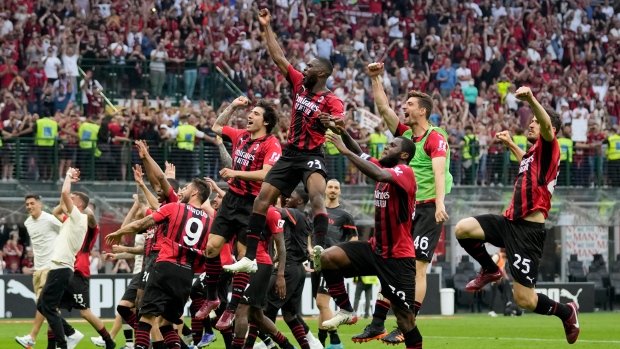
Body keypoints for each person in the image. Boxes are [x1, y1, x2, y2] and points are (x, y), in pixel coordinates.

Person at [223, 8, 345, 276]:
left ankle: (320, 250)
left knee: (316, 197)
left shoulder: (332, 100)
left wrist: (332, 122)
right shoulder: (300, 84)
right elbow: (278, 57)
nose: (305, 68)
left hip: (313, 154)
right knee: (261, 200)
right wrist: (266, 27)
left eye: (310, 66)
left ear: (322, 73)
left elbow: (341, 122)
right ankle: (250, 258)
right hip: (290, 154)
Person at [454, 87, 579, 344]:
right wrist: (511, 144)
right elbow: (525, 161)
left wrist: (532, 100)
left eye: (534, 121)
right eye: (530, 120)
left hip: (527, 232)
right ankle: (490, 270)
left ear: (549, 130)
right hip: (509, 221)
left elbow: (545, 123)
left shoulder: (550, 145)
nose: (530, 124)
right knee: (463, 229)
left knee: (525, 300)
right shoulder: (533, 155)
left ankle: (567, 312)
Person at [354, 62, 451, 344]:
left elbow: (439, 170)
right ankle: (377, 322)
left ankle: (407, 322)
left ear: (422, 110)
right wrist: (375, 79)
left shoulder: (436, 137)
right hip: (406, 209)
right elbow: (383, 109)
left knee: (419, 266)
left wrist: (441, 203)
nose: (403, 107)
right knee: (391, 265)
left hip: (429, 207)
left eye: (408, 104)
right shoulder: (406, 137)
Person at [320, 131, 422, 348]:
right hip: (376, 250)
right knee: (328, 257)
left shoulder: (404, 172)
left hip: (398, 258)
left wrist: (345, 152)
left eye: (392, 145)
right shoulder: (385, 167)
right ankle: (347, 310)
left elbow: (376, 173)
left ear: (404, 155)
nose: (386, 146)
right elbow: (360, 152)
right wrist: (343, 131)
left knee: (406, 322)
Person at [195, 97, 282, 320]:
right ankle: (212, 297)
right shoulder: (239, 135)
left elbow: (266, 173)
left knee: (244, 257)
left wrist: (235, 173)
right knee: (211, 248)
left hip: (253, 205)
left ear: (266, 122)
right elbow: (215, 127)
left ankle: (231, 309)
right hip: (232, 199)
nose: (250, 115)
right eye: (250, 112)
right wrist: (232, 106)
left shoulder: (271, 143)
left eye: (255, 113)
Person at [105, 178, 212, 349]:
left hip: (164, 267)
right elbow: (210, 251)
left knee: (145, 317)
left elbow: (141, 223)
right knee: (166, 325)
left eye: (186, 188)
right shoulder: (209, 221)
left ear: (194, 193)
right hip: (186, 275)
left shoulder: (174, 207)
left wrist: (119, 232)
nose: (182, 191)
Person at [248, 191, 322, 349]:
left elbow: (273, 210)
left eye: (291, 196)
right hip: (297, 269)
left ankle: (259, 345)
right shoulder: (304, 217)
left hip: (287, 270)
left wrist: (255, 199)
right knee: (290, 316)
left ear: (300, 200)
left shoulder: (295, 213)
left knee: (257, 311)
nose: (287, 199)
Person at [51, 202, 116, 349]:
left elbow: (91, 216)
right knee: (51, 308)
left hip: (79, 273)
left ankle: (108, 341)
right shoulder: (72, 223)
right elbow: (56, 212)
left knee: (85, 313)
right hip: (66, 268)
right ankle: (65, 337)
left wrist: (78, 204)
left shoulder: (92, 228)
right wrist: (66, 199)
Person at [36, 167, 88, 349]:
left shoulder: (79, 219)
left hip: (62, 267)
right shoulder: (72, 221)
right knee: (42, 305)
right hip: (59, 267)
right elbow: (59, 210)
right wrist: (69, 188)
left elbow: (64, 192)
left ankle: (64, 343)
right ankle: (71, 333)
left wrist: (67, 176)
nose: (69, 200)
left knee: (47, 307)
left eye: (73, 200)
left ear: (79, 205)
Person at [312, 179, 357, 348]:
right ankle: (321, 343)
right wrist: (310, 248)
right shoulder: (317, 211)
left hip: (331, 263)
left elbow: (353, 239)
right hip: (316, 261)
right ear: (325, 190)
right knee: (321, 305)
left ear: (339, 192)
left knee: (322, 303)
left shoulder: (345, 215)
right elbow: (311, 233)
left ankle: (336, 341)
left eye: (336, 188)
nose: (332, 190)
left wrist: (345, 257)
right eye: (330, 187)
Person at [15, 194, 62, 349]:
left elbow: (65, 234)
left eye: (32, 203)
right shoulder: (28, 223)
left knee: (46, 305)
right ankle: (58, 342)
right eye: (27, 204)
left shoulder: (49, 219)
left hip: (51, 267)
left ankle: (32, 337)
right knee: (48, 309)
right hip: (38, 269)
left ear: (40, 204)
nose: (29, 207)